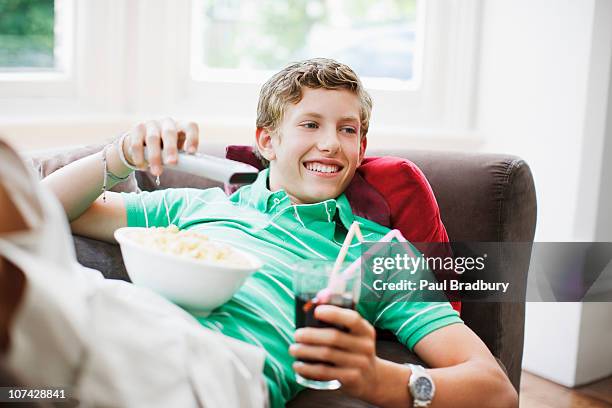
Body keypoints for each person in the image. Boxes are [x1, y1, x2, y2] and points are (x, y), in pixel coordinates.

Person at [43, 58, 518, 407]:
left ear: (362, 146)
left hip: (219, 369)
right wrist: (119, 157)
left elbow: (495, 390)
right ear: (267, 141)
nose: (331, 143)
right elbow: (43, 211)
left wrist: (379, 378)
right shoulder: (199, 205)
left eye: (348, 130)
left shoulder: (374, 254)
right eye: (310, 124)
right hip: (125, 322)